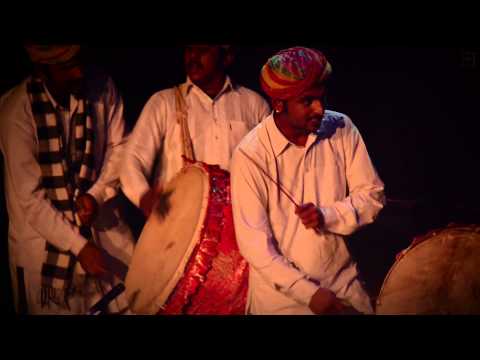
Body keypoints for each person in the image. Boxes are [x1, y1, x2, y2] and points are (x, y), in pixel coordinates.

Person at [230, 46, 385, 315]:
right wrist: (309, 294)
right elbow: (255, 246)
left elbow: (372, 196)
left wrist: (328, 215)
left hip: (344, 287)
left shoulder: (341, 127)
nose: (320, 109)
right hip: (282, 303)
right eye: (307, 101)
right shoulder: (250, 154)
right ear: (279, 104)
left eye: (322, 98)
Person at [0, 44, 135, 314]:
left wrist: (95, 195)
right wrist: (78, 245)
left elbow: (122, 148)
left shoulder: (101, 86)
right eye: (66, 67)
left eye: (79, 61)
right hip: (46, 256)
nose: (78, 72)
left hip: (104, 236)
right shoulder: (17, 110)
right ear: (42, 70)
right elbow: (29, 198)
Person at [120, 45, 270, 217]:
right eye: (189, 50)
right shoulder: (164, 102)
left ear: (227, 57)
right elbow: (132, 159)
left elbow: (271, 168)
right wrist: (144, 196)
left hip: (239, 223)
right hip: (178, 223)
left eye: (202, 50)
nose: (193, 56)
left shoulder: (254, 105)